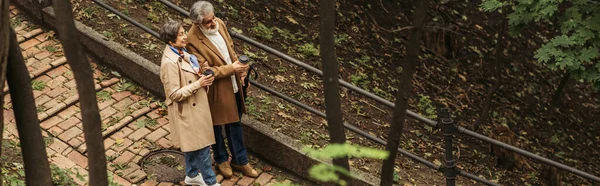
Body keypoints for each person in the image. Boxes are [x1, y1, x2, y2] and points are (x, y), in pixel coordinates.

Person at [186, 1, 259, 178]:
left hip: (234, 84)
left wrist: (241, 73)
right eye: (207, 22)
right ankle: (221, 159)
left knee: (236, 124)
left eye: (213, 18)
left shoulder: (220, 24)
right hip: (216, 90)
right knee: (217, 127)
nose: (213, 24)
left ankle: (240, 161)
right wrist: (232, 69)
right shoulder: (192, 40)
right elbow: (205, 70)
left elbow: (230, 50)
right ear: (197, 23)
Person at [158, 19, 220, 186]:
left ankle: (192, 175)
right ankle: (210, 182)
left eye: (184, 32)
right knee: (202, 147)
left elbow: (189, 75)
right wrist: (198, 84)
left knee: (193, 144)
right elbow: (174, 94)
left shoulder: (182, 53)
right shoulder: (169, 63)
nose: (185, 36)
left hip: (194, 107)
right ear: (171, 41)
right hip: (186, 110)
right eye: (180, 34)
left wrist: (200, 75)